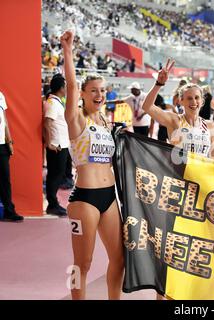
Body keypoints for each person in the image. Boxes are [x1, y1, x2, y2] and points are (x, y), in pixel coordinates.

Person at [60, 30, 124, 300]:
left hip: (110, 198)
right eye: (93, 91)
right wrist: (67, 51)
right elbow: (71, 86)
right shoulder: (77, 120)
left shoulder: (106, 123)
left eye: (103, 90)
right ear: (83, 95)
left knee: (120, 260)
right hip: (84, 199)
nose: (99, 94)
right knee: (82, 264)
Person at [142, 59, 214, 158]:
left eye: (197, 98)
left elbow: (213, 156)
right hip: (178, 173)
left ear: (202, 101)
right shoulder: (174, 120)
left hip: (201, 173)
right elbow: (147, 107)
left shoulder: (209, 125)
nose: (193, 102)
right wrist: (158, 84)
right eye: (189, 98)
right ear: (180, 101)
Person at [43, 74, 69, 216]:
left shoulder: (56, 101)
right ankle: (52, 204)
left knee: (57, 175)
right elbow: (47, 122)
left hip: (61, 144)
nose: (67, 89)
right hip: (56, 145)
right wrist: (49, 144)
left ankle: (53, 203)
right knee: (55, 175)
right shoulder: (52, 103)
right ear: (60, 88)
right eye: (65, 86)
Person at [0, 91, 23, 222]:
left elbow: (4, 120)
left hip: (2, 145)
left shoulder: (0, 95)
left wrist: (9, 141)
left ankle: (9, 211)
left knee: (4, 180)